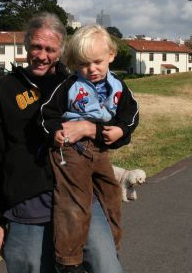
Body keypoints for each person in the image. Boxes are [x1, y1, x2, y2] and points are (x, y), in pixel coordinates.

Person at [0, 13, 125, 273]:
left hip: (80, 195)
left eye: (50, 49)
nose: (42, 55)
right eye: (36, 47)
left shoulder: (76, 84)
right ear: (26, 44)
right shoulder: (2, 91)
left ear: (61, 51)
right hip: (27, 205)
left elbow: (116, 131)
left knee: (107, 267)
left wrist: (89, 128)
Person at [40, 24, 139, 272]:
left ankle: (111, 247)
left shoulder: (118, 86)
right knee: (75, 201)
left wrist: (121, 129)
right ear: (75, 64)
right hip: (71, 150)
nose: (91, 69)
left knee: (112, 195)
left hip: (99, 150)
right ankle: (69, 261)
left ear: (111, 56)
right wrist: (55, 132)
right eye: (84, 64)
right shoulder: (69, 85)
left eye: (97, 62)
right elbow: (46, 113)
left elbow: (131, 113)